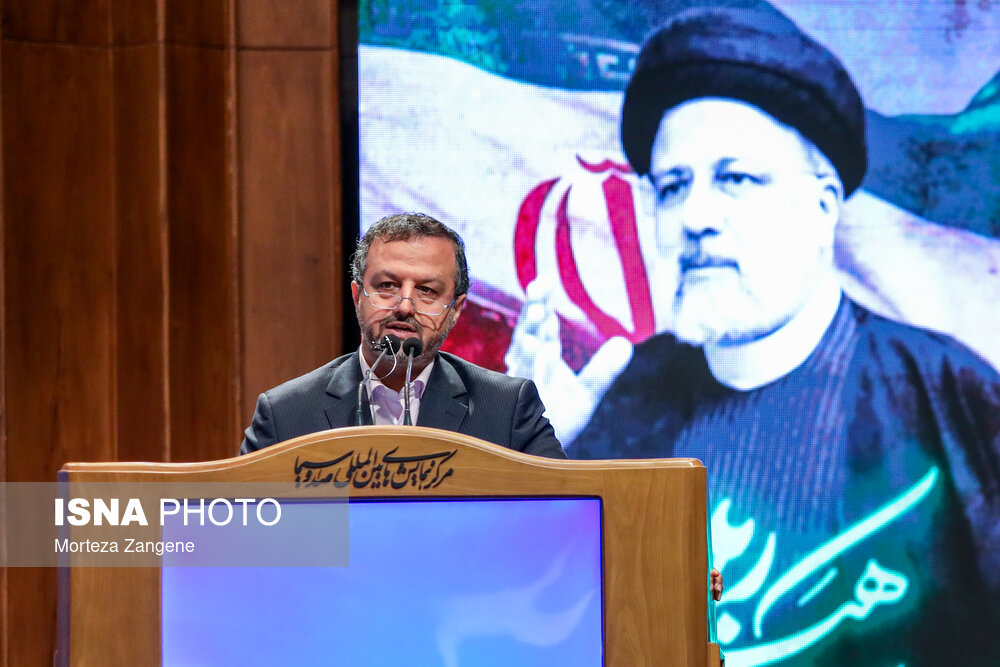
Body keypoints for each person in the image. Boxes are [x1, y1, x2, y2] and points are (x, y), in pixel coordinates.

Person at [507, 6, 1000, 666]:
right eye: (673, 186)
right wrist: (533, 465)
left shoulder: (952, 397)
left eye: (735, 178)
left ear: (822, 207)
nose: (695, 216)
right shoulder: (620, 404)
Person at [241, 212, 565, 459]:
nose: (405, 306)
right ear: (357, 295)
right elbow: (251, 521)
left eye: (427, 291)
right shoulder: (287, 414)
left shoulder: (506, 410)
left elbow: (562, 511)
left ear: (455, 309)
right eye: (387, 286)